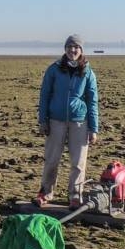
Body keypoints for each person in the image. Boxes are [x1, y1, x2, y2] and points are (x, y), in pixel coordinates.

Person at [34, 34, 99, 209]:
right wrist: (43, 120)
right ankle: (45, 192)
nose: (72, 50)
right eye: (70, 46)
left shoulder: (87, 72)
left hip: (80, 122)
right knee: (51, 160)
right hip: (56, 121)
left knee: (78, 163)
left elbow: (92, 101)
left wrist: (93, 129)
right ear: (65, 49)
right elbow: (45, 95)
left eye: (76, 47)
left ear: (81, 50)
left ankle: (75, 195)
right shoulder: (54, 69)